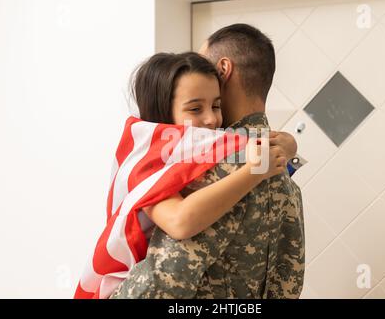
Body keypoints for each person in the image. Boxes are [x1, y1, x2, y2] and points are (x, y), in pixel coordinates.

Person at [110, 24, 305, 299]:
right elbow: (289, 284)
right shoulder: (280, 171)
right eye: (195, 107)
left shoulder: (209, 174)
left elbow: (164, 283)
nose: (211, 118)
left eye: (205, 62)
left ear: (223, 70)